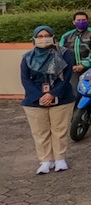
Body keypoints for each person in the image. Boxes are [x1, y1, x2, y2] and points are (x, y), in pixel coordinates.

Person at [21, 26, 75, 175]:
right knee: (40, 131)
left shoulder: (64, 54)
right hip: (35, 99)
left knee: (59, 130)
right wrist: (40, 96)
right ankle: (45, 161)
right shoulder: (27, 57)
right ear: (34, 38)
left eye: (46, 35)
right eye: (39, 36)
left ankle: (59, 159)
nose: (43, 38)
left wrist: (52, 93)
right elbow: (25, 79)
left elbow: (67, 77)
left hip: (61, 96)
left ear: (52, 37)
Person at [60, 11, 91, 95]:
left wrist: (84, 65)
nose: (81, 22)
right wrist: (70, 66)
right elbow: (61, 52)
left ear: (87, 21)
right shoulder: (66, 36)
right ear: (73, 22)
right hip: (72, 69)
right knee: (74, 91)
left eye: (83, 20)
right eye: (78, 20)